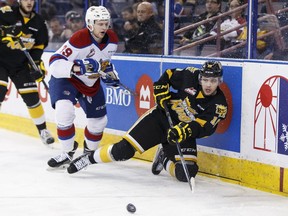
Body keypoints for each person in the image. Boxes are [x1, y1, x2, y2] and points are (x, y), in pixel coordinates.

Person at [67, 61, 228, 186]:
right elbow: (168, 76)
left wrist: (183, 131)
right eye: (205, 79)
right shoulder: (190, 75)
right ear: (200, 77)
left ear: (219, 81)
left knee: (186, 173)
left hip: (181, 132)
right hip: (160, 118)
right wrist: (161, 89)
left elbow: (203, 127)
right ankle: (88, 159)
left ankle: (164, 158)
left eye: (213, 80)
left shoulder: (218, 105)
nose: (208, 84)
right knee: (123, 151)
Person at [47, 6, 120, 168]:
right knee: (64, 110)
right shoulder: (79, 38)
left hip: (90, 82)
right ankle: (66, 153)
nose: (104, 27)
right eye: (99, 24)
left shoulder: (113, 39)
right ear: (89, 24)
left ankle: (88, 155)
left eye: (106, 23)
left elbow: (105, 63)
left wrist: (111, 74)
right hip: (68, 79)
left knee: (100, 122)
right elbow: (54, 62)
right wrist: (78, 67)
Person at [0, 0, 54, 145]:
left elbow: (38, 47)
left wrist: (36, 64)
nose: (29, 2)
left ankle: (43, 130)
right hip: (1, 61)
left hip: (21, 65)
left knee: (32, 98)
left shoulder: (39, 23)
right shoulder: (6, 13)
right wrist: (6, 31)